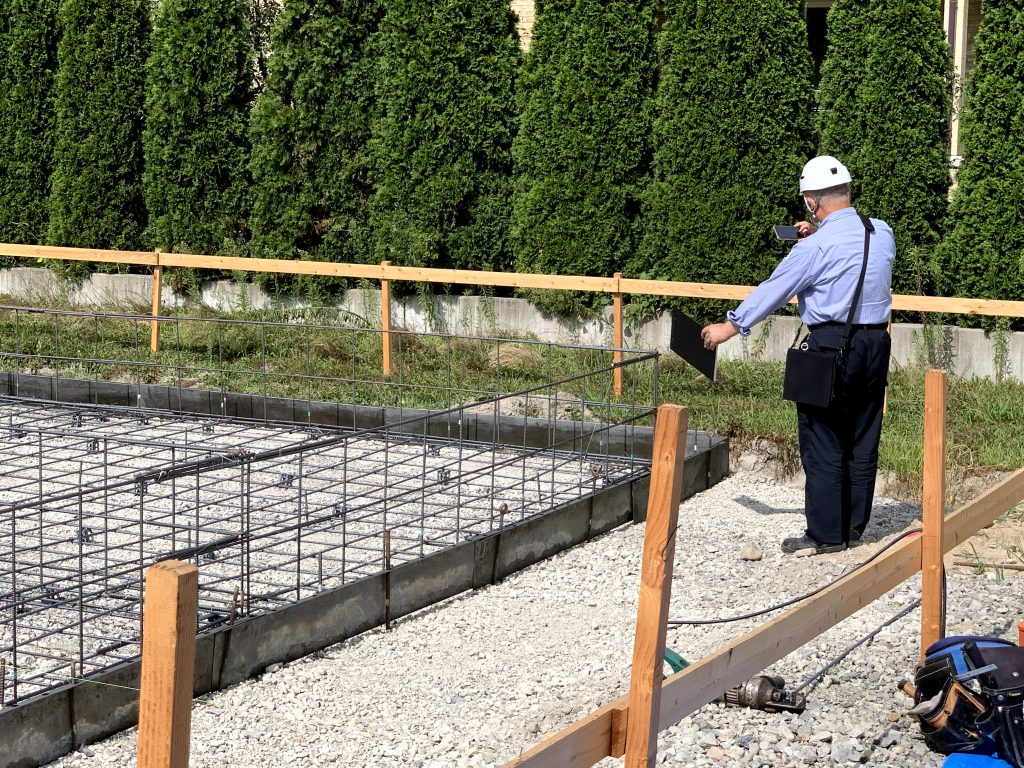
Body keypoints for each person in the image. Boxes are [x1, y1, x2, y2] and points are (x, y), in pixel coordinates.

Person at [700, 155, 895, 555]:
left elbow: (774, 290)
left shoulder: (813, 248)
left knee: (822, 438)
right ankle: (853, 528)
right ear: (847, 191)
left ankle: (826, 535)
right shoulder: (882, 232)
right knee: (862, 435)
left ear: (811, 200)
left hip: (830, 344)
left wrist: (729, 328)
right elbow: (850, 257)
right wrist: (817, 235)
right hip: (877, 343)